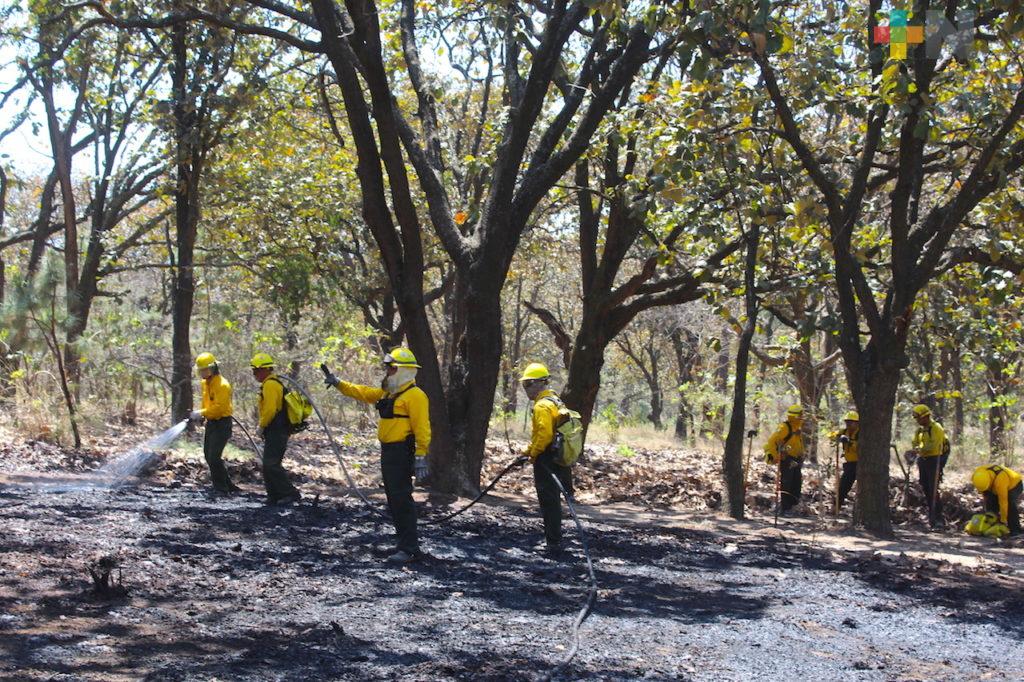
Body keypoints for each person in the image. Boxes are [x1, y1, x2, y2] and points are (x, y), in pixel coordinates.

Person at [324, 347, 430, 563]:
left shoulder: (416, 396)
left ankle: (409, 549)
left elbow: (422, 428)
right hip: (389, 452)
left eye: (391, 369)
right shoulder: (389, 393)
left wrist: (421, 455)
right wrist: (338, 383)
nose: (387, 372)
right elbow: (363, 392)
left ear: (403, 370)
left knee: (401, 499)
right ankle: (403, 544)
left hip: (402, 452)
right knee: (393, 499)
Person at [520, 362, 573, 553]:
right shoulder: (555, 400)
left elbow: (543, 436)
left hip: (546, 459)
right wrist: (527, 451)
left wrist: (533, 454)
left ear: (540, 383)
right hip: (558, 457)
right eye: (524, 384)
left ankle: (553, 542)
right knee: (554, 500)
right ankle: (554, 539)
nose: (526, 388)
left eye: (528, 384)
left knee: (549, 501)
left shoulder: (542, 406)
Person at [250, 353, 301, 506]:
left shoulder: (271, 385)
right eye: (253, 371)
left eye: (256, 370)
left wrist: (262, 425)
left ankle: (290, 493)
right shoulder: (269, 384)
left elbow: (270, 409)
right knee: (268, 464)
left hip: (277, 429)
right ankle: (274, 495)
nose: (254, 374)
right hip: (274, 429)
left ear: (265, 370)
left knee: (271, 463)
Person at [188, 352, 240, 494]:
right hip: (211, 423)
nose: (202, 373)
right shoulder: (205, 383)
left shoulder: (222, 385)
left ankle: (221, 488)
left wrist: (202, 412)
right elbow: (207, 402)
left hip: (222, 423)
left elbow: (219, 408)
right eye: (200, 370)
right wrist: (202, 416)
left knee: (214, 457)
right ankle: (228, 485)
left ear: (212, 368)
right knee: (208, 455)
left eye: (204, 370)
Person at [908, 404, 948, 528]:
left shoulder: (936, 428)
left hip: (935, 459)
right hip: (923, 459)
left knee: (933, 487)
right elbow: (915, 442)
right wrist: (914, 450)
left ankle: (938, 518)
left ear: (925, 416)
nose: (917, 421)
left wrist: (919, 449)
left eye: (918, 418)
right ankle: (931, 514)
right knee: (925, 486)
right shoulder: (919, 430)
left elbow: (934, 445)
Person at [764, 405, 806, 516]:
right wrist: (775, 456)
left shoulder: (797, 428)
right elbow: (772, 441)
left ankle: (793, 506)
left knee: (796, 483)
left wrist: (802, 453)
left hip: (796, 459)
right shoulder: (784, 427)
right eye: (800, 415)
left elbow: (797, 442)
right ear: (795, 416)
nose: (802, 417)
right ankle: (785, 508)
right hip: (787, 459)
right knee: (787, 483)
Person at [971, 464, 1022, 537]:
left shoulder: (1000, 481)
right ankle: (990, 526)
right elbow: (984, 493)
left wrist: (1003, 520)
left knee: (1010, 506)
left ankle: (1015, 530)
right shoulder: (977, 475)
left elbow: (1003, 502)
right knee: (990, 503)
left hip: (1014, 485)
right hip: (993, 485)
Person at [829, 411, 859, 508]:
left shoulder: (860, 433)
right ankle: (836, 506)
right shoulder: (844, 431)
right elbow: (831, 436)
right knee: (843, 487)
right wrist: (837, 436)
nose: (848, 424)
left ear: (856, 423)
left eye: (851, 422)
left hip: (860, 464)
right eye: (847, 422)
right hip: (850, 464)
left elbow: (861, 448)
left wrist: (849, 442)